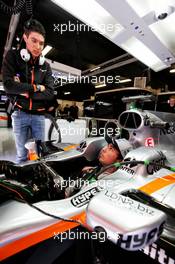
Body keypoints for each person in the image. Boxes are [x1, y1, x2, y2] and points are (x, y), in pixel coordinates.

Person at [2, 19, 55, 163]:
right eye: (34, 40)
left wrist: (23, 90)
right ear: (25, 38)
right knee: (22, 156)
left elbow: (50, 93)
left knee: (40, 156)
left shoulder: (46, 67)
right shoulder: (12, 57)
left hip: (39, 117)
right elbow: (8, 86)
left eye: (41, 43)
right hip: (19, 115)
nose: (38, 46)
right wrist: (37, 88)